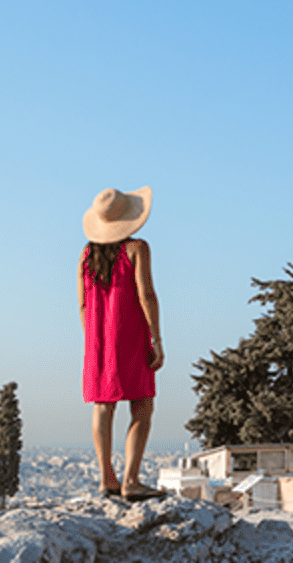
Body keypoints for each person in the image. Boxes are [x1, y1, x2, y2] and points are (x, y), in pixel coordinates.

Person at [79, 186, 166, 501]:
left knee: (103, 406)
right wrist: (156, 337)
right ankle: (131, 479)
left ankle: (106, 479)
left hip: (97, 340)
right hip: (129, 335)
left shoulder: (86, 255)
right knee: (142, 406)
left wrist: (93, 340)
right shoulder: (137, 249)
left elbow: (83, 306)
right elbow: (147, 295)